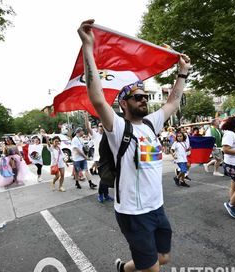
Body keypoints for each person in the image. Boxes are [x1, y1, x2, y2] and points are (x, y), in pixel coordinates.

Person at [78, 19, 190, 272]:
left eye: (145, 97)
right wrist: (88, 48)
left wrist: (182, 72)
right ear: (123, 104)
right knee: (152, 269)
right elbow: (96, 97)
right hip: (133, 213)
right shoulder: (118, 128)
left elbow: (172, 102)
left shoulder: (151, 124)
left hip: (157, 208)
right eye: (137, 97)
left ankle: (122, 269)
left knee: (163, 259)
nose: (143, 100)